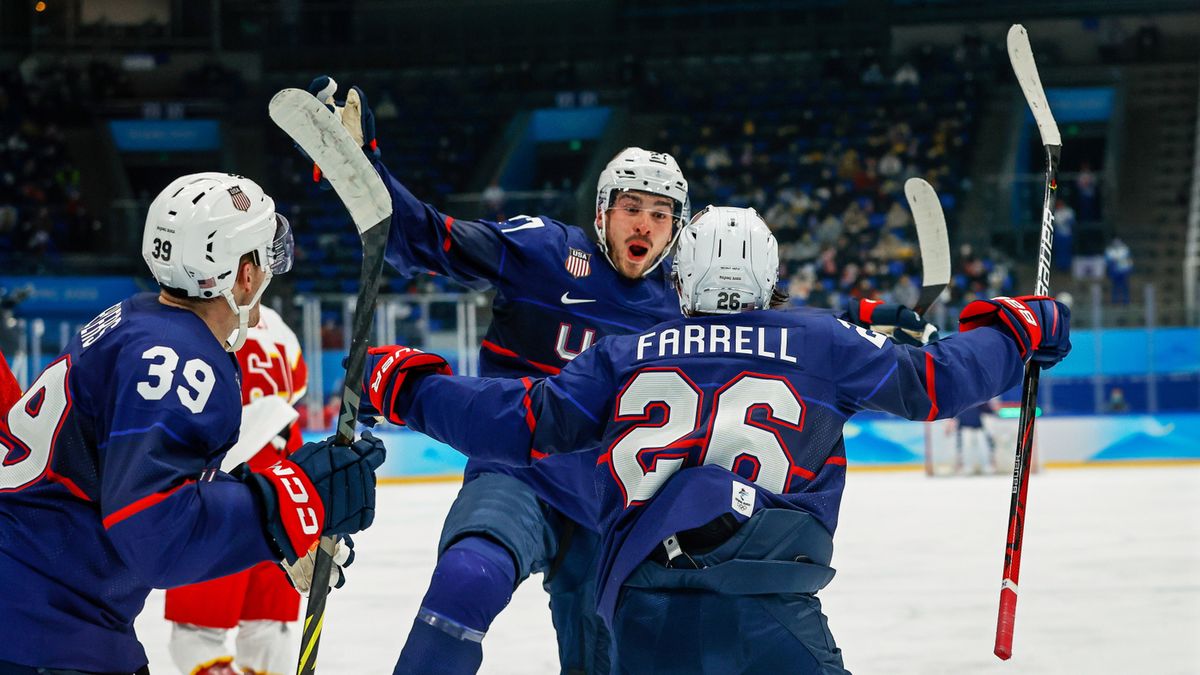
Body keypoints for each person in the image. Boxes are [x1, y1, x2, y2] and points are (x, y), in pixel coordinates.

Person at [362, 206, 1072, 672]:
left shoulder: (628, 351)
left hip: (642, 613)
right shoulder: (821, 340)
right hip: (773, 602)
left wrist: (409, 388)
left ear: (681, 271)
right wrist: (1016, 329)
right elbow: (938, 380)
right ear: (770, 277)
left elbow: (520, 423)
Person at [301, 77, 690, 675]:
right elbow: (427, 241)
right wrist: (366, 170)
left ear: (676, 227)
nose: (644, 224)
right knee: (468, 575)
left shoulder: (686, 310)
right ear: (602, 211)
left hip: (614, 505)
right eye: (631, 208)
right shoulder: (549, 252)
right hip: (519, 475)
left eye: (659, 214)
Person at [0, 173, 384, 675]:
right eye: (264, 255)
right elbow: (153, 534)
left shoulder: (135, 318)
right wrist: (286, 503)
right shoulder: (182, 360)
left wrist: (265, 517)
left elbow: (139, 475)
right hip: (43, 630)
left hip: (37, 603)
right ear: (245, 274)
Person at [164, 306, 311, 675]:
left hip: (219, 489)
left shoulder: (201, 316)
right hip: (281, 487)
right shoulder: (278, 326)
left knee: (198, 632)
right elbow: (293, 397)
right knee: (269, 625)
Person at [950, 399, 999, 475]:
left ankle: (986, 466)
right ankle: (967, 467)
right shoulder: (959, 401)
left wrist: (994, 410)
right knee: (966, 449)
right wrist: (950, 423)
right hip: (965, 428)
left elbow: (988, 410)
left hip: (978, 427)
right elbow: (953, 414)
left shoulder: (977, 399)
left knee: (984, 448)